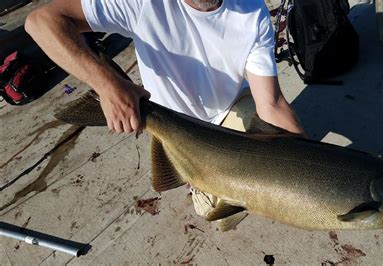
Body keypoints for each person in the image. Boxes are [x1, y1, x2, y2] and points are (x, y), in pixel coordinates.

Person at [25, 0, 304, 222]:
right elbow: (41, 22)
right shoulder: (142, 3)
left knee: (283, 180)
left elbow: (271, 104)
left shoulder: (251, 11)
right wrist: (108, 86)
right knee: (215, 212)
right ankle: (193, 171)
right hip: (174, 126)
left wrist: (305, 157)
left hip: (231, 106)